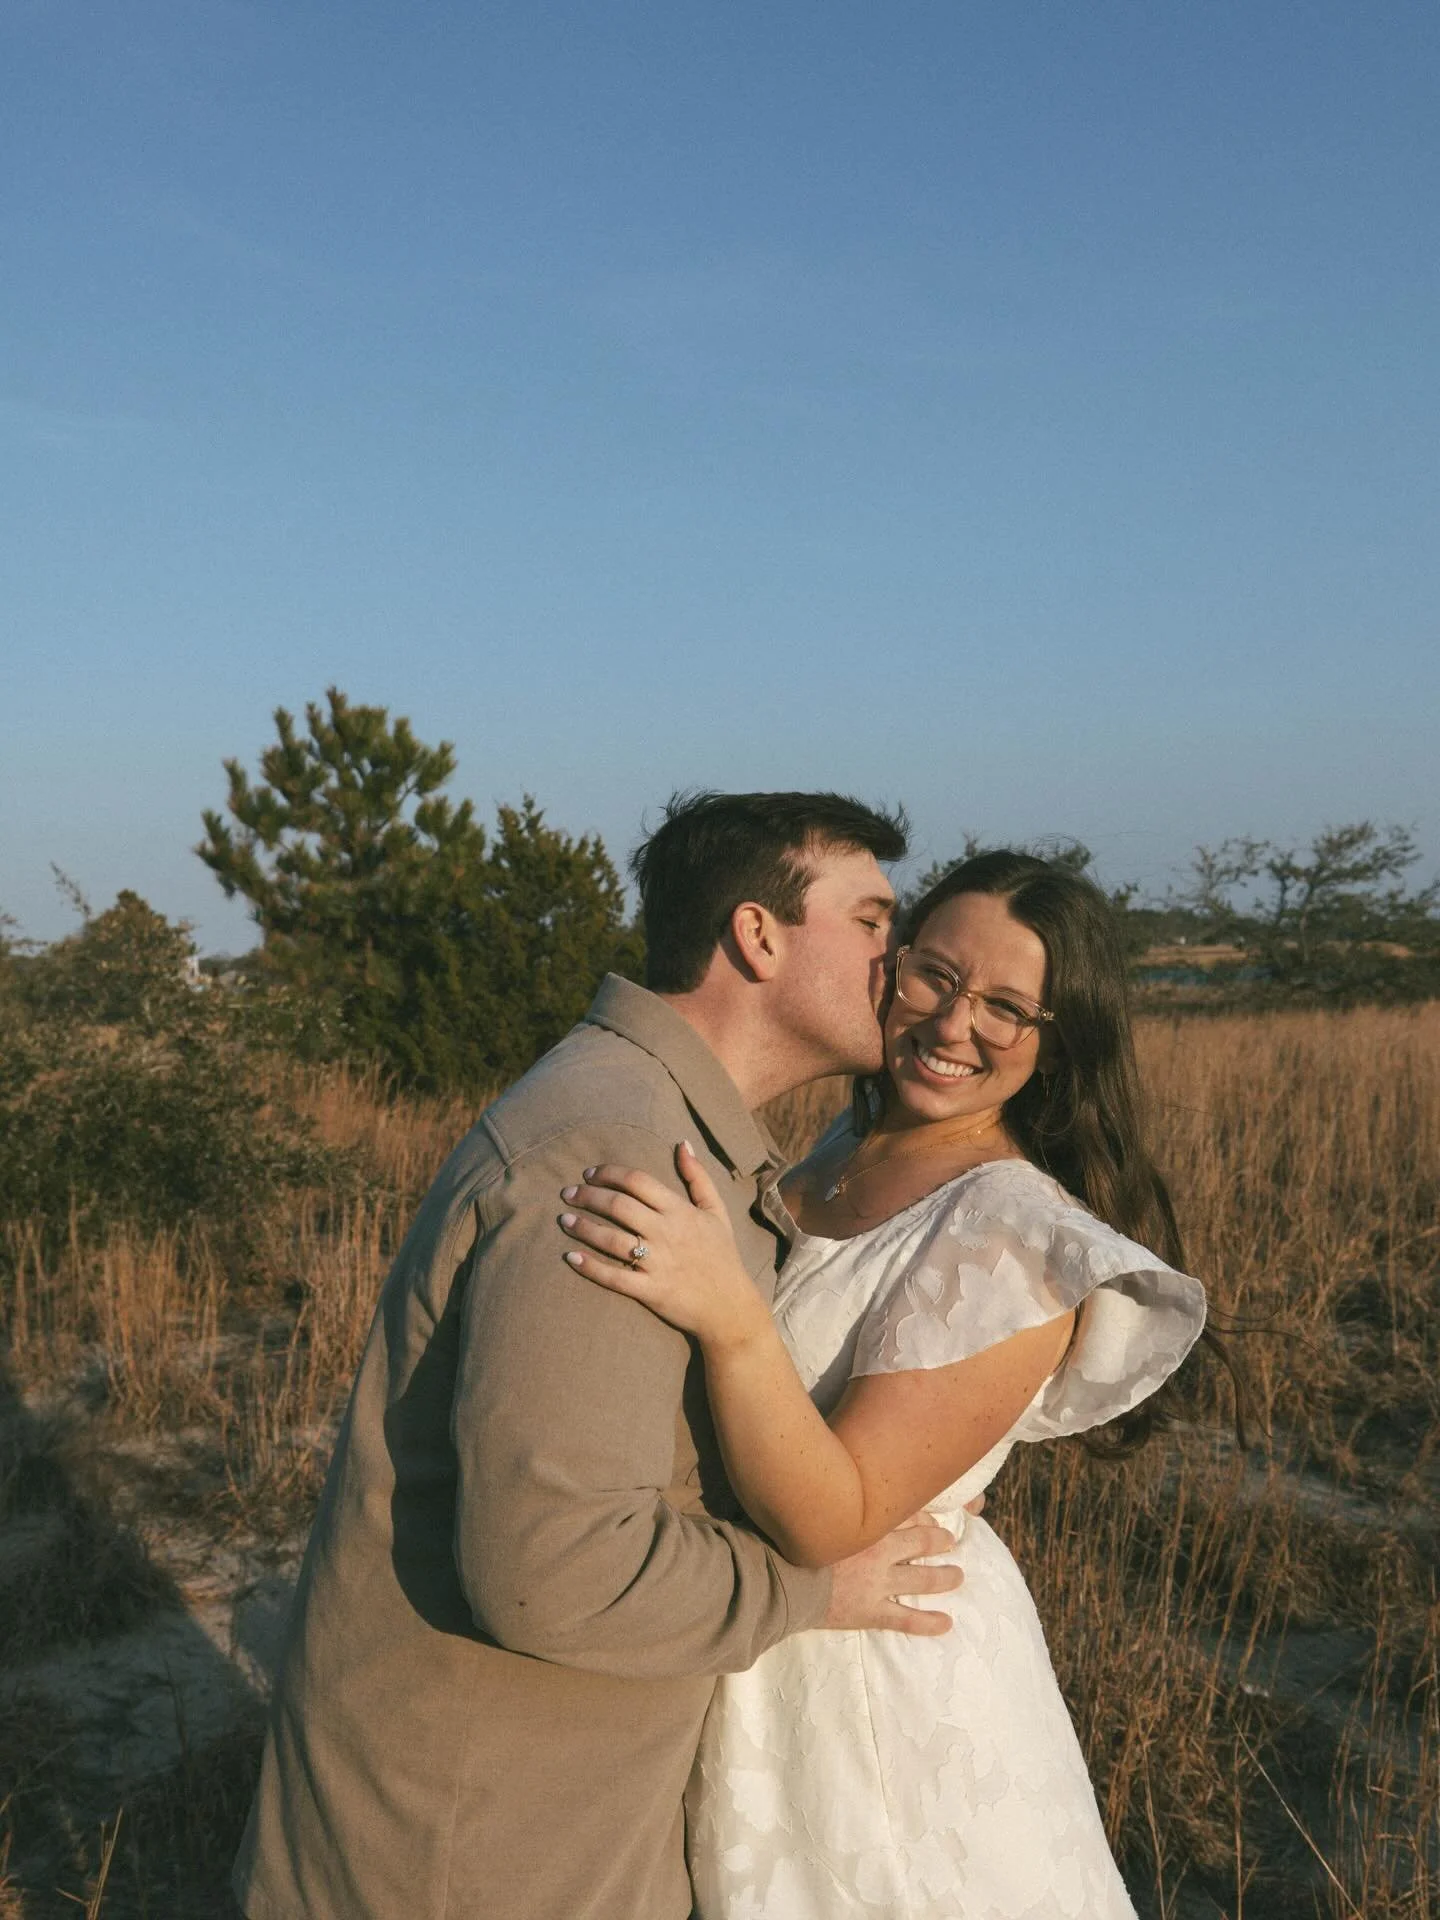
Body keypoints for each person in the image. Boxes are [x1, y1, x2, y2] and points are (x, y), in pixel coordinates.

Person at [233, 791, 968, 1920]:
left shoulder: (656, 1121)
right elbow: (557, 1571)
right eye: (872, 922)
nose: (899, 961)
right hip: (472, 1851)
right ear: (757, 935)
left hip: (536, 1816)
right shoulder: (616, 1153)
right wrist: (816, 1588)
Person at [559, 849, 1213, 1919]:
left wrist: (728, 1314)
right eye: (934, 977)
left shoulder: (1014, 1235)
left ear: (1059, 1041)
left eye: (1007, 1008)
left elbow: (832, 1517)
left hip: (874, 1685)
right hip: (760, 1642)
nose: (954, 1025)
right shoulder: (847, 1142)